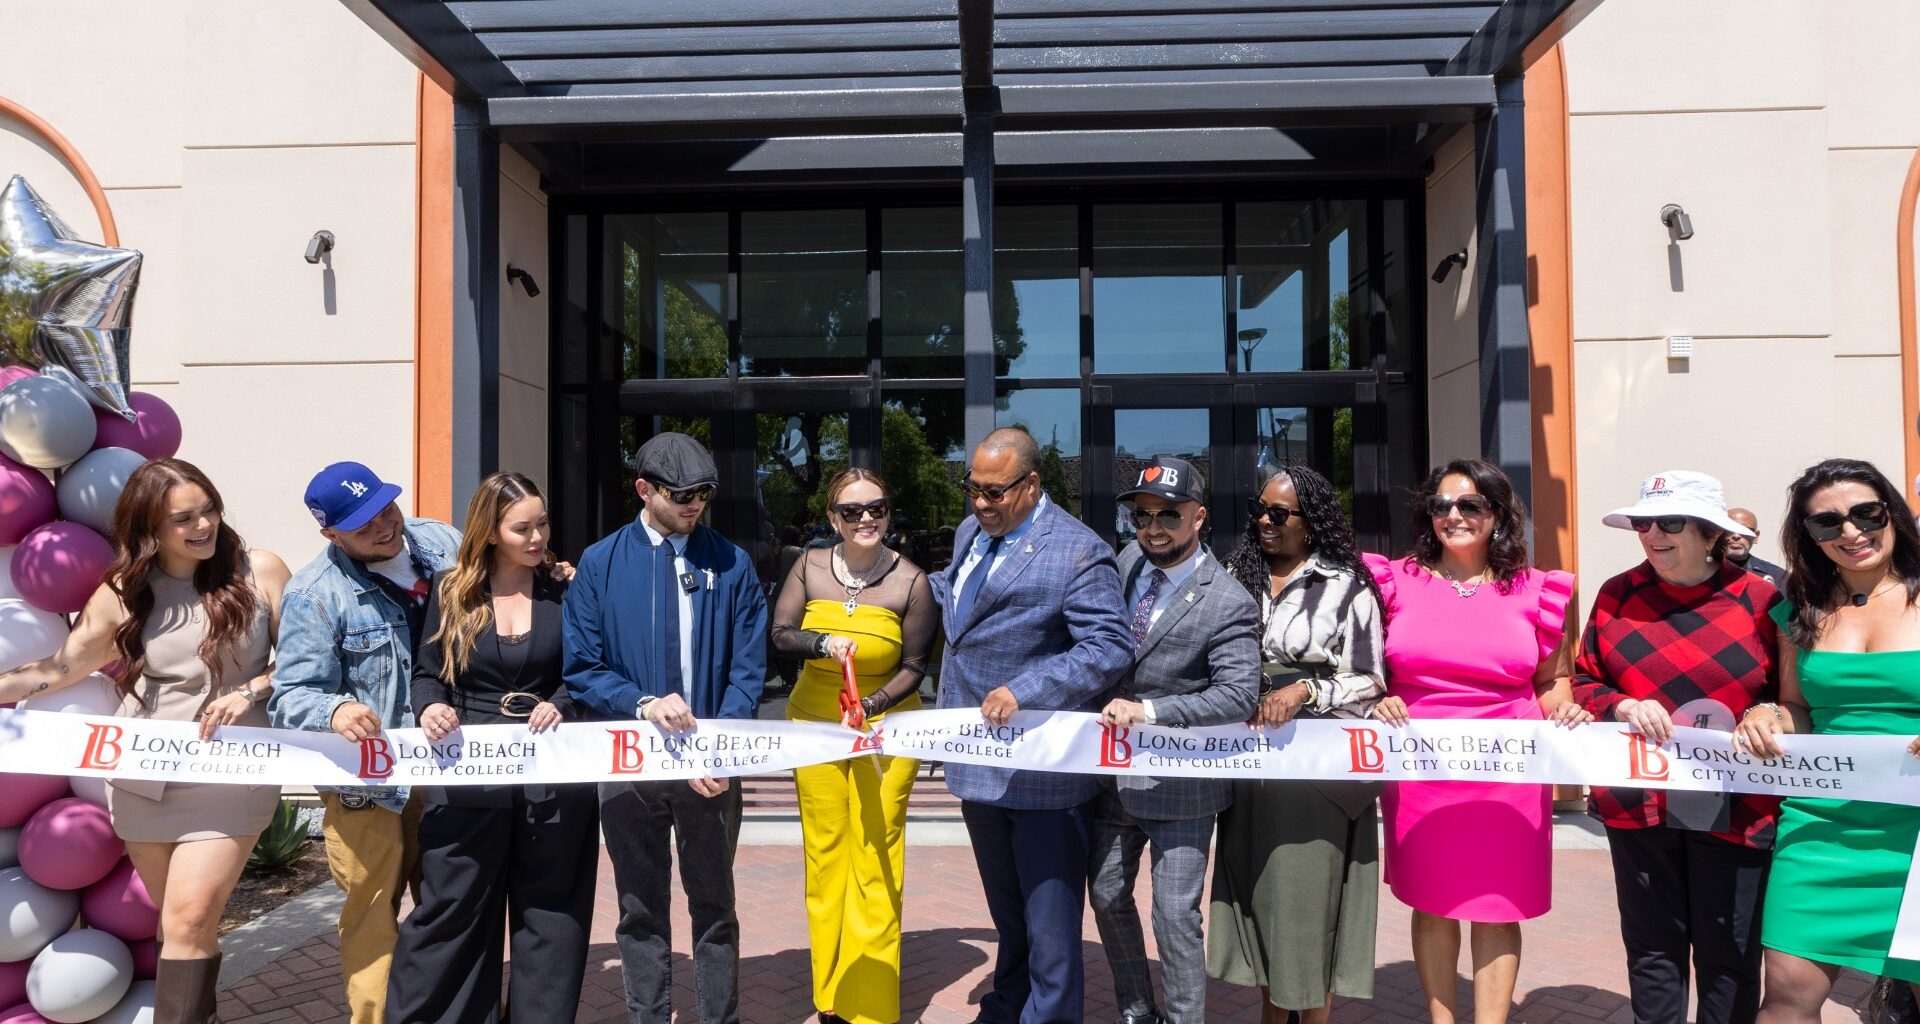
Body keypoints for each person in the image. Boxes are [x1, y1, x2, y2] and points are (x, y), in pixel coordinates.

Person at [0, 459, 289, 1024]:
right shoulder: (124, 590)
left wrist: (252, 689)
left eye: (208, 509)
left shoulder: (261, 570)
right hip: (144, 773)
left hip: (234, 768)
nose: (203, 525)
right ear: (150, 530)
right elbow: (62, 667)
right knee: (181, 926)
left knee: (188, 918)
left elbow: (306, 662)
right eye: (184, 519)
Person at [1365, 457, 1589, 1024]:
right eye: (1441, 506)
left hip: (1507, 773)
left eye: (1470, 505)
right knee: (1433, 902)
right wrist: (1376, 698)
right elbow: (1365, 667)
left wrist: (1564, 710)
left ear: (1497, 513)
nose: (1454, 516)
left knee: (1497, 905)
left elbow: (1551, 680)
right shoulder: (1392, 582)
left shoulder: (1537, 591)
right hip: (1421, 772)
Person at [563, 432, 768, 1024]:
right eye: (682, 493)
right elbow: (582, 669)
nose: (695, 503)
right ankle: (647, 1016)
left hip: (708, 770)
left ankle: (718, 1018)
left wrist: (720, 751)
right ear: (644, 489)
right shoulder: (600, 564)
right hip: (629, 767)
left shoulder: (732, 563)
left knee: (715, 904)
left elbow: (748, 670)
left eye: (704, 492)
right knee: (640, 907)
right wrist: (642, 702)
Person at [930, 426, 1132, 1024]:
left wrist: (1026, 689)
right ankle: (1007, 1006)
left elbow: (1109, 646)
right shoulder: (972, 533)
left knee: (1050, 929)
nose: (981, 504)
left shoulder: (1077, 550)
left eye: (995, 493)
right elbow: (962, 609)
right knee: (1009, 915)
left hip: (1044, 774)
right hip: (979, 765)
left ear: (1032, 484)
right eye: (974, 490)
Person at [385, 472, 598, 1024]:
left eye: (542, 524)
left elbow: (588, 672)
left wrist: (565, 701)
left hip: (553, 770)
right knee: (452, 911)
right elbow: (428, 676)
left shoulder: (566, 589)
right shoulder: (452, 590)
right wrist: (430, 707)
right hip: (467, 772)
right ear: (489, 531)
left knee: (552, 915)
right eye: (521, 528)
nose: (536, 538)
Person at [1573, 471, 1782, 1024]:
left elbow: (1792, 695)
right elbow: (1582, 681)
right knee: (1653, 950)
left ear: (1712, 534)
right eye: (1644, 523)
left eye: (1670, 523)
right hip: (1637, 799)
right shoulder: (1617, 594)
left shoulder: (1762, 598)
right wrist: (1619, 704)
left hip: (1737, 802)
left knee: (1730, 956)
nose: (1652, 535)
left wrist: (1767, 712)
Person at [270, 462, 462, 1024]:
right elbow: (292, 696)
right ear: (331, 535)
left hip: (446, 768)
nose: (384, 526)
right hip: (367, 788)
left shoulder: (441, 541)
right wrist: (337, 708)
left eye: (386, 508)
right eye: (363, 525)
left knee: (450, 905)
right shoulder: (313, 594)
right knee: (373, 914)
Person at [1735, 458, 1920, 1022]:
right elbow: (1799, 709)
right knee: (1786, 999)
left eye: (1867, 513)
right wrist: (1767, 714)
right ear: (1807, 536)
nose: (1851, 532)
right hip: (1822, 826)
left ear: (1892, 513)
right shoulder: (1801, 612)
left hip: (1915, 830)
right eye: (1827, 523)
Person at [1209, 465, 1387, 1024]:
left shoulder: (1346, 586)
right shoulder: (1234, 576)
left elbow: (1370, 678)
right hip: (1249, 768)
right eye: (1258, 510)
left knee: (1305, 909)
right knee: (1263, 904)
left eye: (1278, 513)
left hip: (1314, 773)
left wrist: (1305, 688)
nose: (1264, 520)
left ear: (1311, 524)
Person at [1090, 456, 1260, 1024]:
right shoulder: (1129, 560)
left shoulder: (1228, 599)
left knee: (1174, 916)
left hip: (1181, 783)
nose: (1153, 527)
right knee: (1107, 895)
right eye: (1141, 515)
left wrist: (1151, 711)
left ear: (1200, 517)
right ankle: (1138, 1010)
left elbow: (1238, 696)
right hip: (1113, 777)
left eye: (1168, 515)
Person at [769, 468, 935, 1024]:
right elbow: (781, 633)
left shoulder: (912, 581)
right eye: (853, 510)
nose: (867, 519)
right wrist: (820, 642)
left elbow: (915, 666)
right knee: (827, 855)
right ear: (832, 517)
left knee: (877, 854)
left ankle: (872, 1002)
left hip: (885, 728)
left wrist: (875, 704)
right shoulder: (809, 565)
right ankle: (833, 995)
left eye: (878, 508)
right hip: (814, 726)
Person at [1726, 508, 1787, 587]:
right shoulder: (1706, 570)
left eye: (1744, 530)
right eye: (1729, 529)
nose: (1736, 536)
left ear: (1756, 537)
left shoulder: (1777, 576)